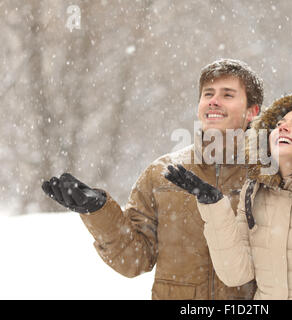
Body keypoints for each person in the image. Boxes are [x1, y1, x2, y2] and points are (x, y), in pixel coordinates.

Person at [41, 58, 263, 300]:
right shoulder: (162, 174)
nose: (214, 101)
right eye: (207, 93)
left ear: (253, 111)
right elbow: (134, 260)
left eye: (227, 95)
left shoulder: (269, 174)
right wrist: (99, 212)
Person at [164, 89, 292, 300]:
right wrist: (213, 206)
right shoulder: (253, 191)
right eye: (278, 125)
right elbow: (236, 273)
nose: (283, 127)